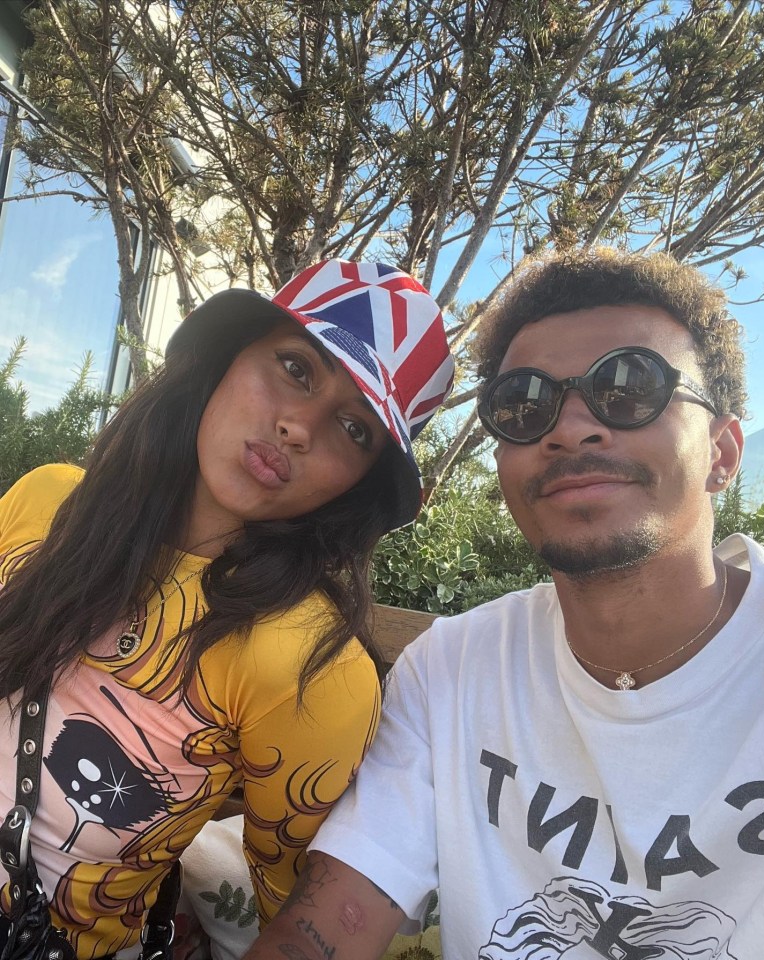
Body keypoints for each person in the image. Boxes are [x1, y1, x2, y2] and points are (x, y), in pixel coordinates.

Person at [246, 248, 764, 960]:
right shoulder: (454, 670)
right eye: (523, 404)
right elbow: (327, 929)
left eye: (628, 387)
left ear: (722, 450)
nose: (571, 428)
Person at [0, 259, 455, 960]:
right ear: (224, 357)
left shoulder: (308, 664)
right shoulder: (46, 501)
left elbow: (297, 912)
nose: (298, 427)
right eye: (296, 368)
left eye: (354, 429)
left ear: (361, 484)